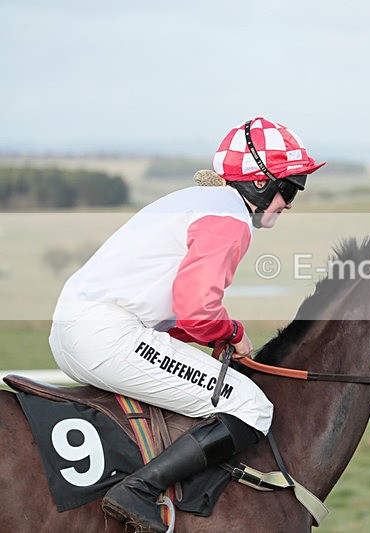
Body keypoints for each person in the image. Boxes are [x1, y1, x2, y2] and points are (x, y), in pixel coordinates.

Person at [48, 117, 325, 533]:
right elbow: (197, 309)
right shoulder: (229, 219)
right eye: (290, 189)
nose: (290, 202)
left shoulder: (192, 200)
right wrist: (231, 332)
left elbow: (165, 303)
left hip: (73, 334)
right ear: (261, 183)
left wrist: (208, 337)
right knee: (251, 407)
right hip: (108, 336)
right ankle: (138, 491)